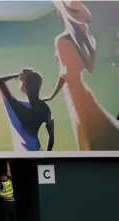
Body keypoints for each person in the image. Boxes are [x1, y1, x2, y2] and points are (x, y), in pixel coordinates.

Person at [44, 0, 119, 150]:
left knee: (90, 138)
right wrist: (53, 94)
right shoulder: (87, 40)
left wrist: (54, 93)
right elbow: (83, 69)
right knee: (89, 136)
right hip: (79, 89)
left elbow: (66, 73)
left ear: (62, 15)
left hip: (75, 92)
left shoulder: (62, 40)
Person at [0, 68, 54, 151]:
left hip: (21, 155)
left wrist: (17, 75)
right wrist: (46, 156)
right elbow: (51, 138)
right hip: (38, 152)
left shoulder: (15, 105)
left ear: (25, 85)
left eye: (21, 80)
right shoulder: (45, 108)